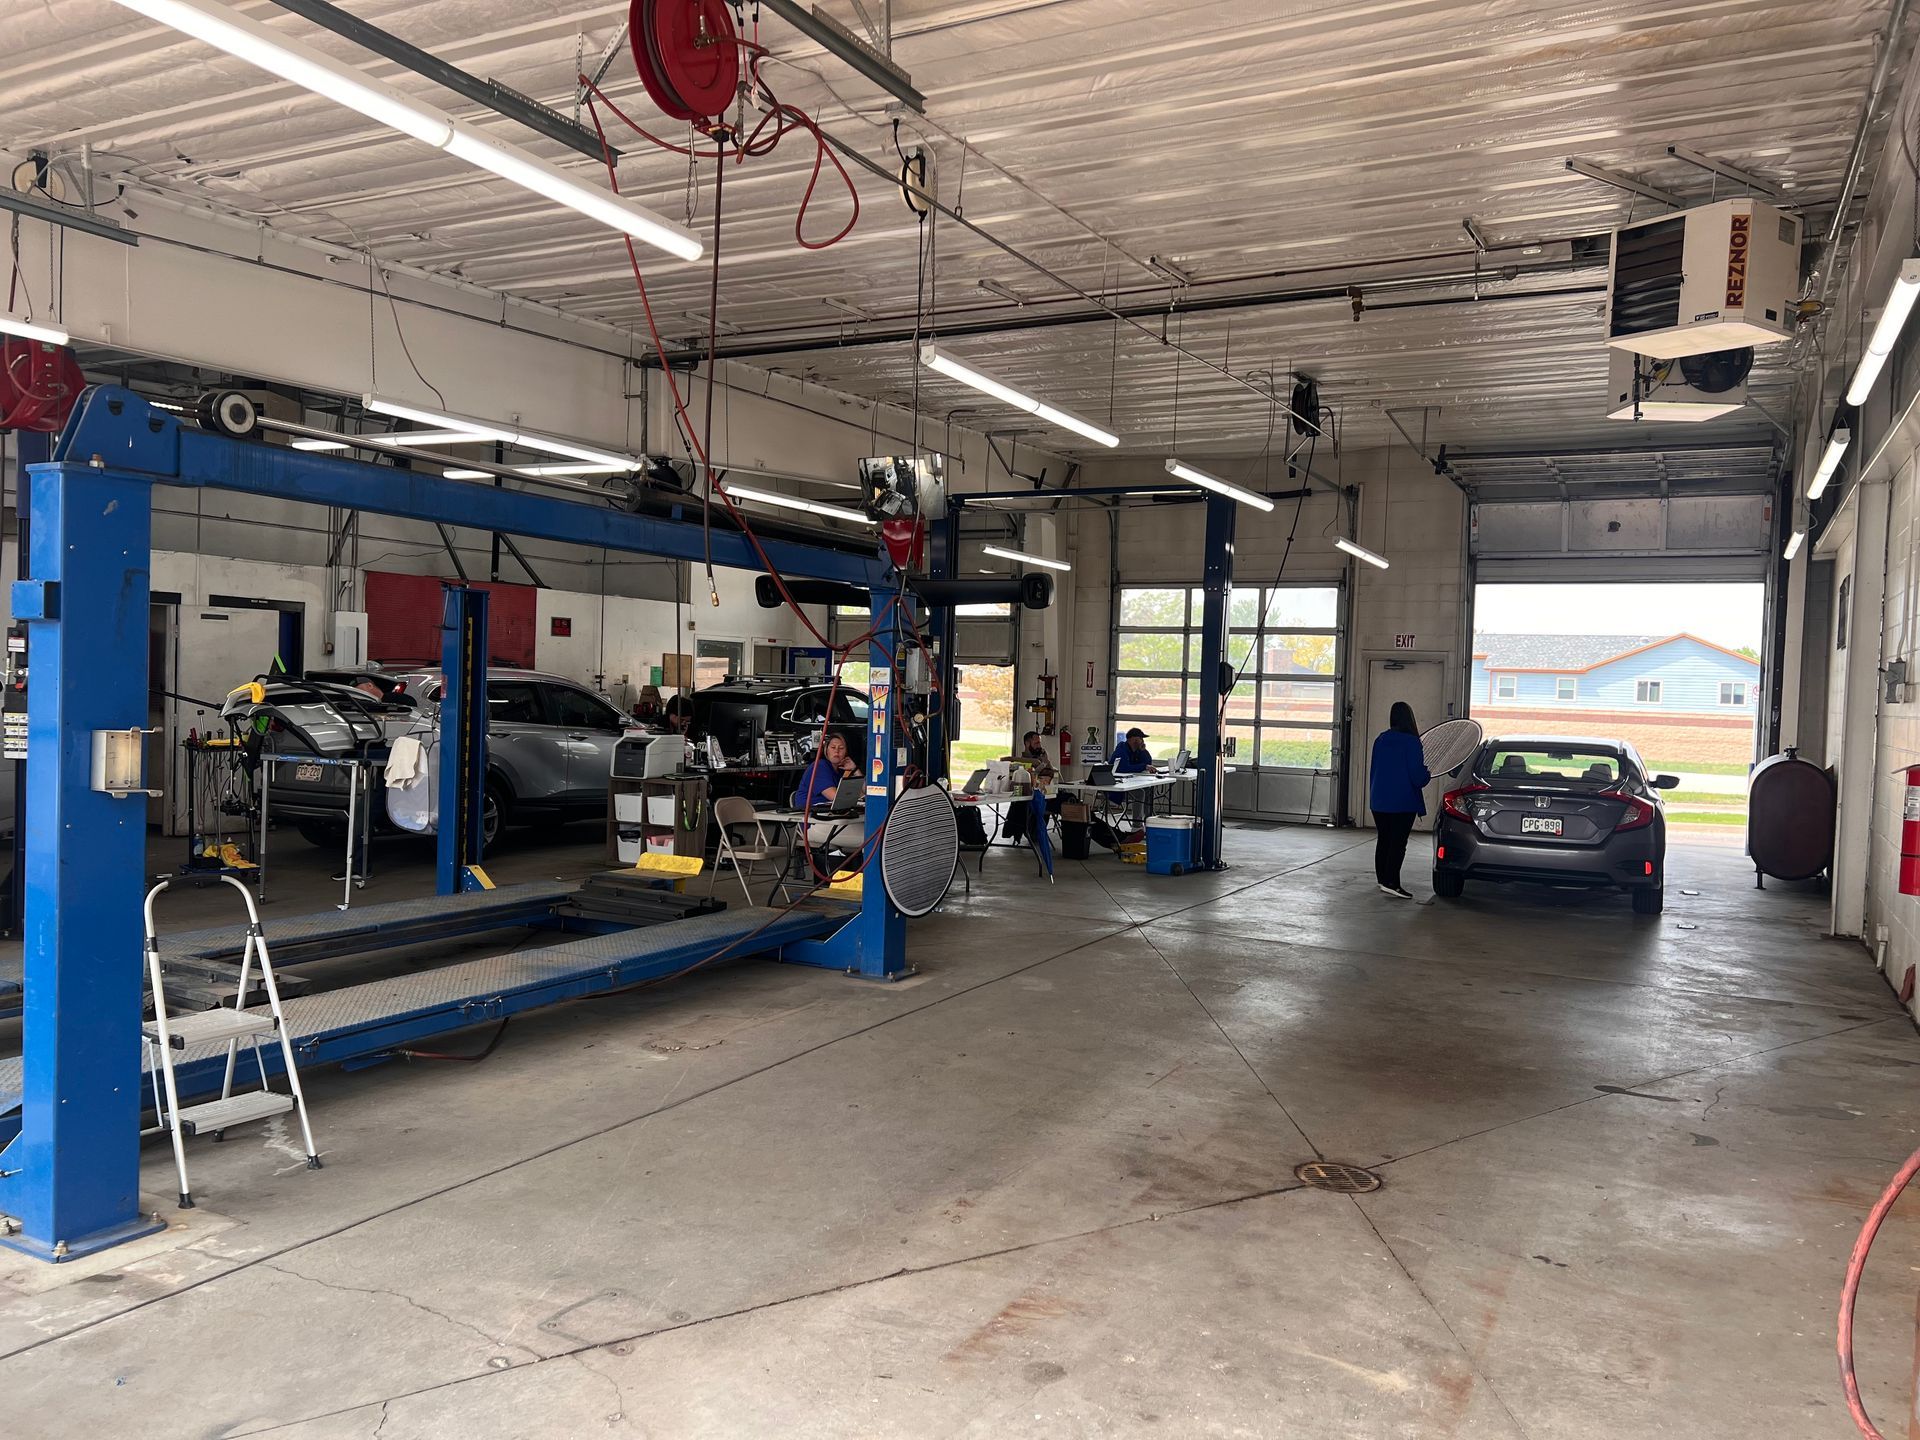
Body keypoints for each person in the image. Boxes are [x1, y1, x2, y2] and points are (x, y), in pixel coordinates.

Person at [1369, 701, 1431, 899]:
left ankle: (1382, 880)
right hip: (1402, 802)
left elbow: (1375, 770)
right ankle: (1392, 883)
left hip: (1378, 800)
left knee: (1384, 840)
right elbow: (1417, 777)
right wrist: (1427, 774)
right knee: (1398, 843)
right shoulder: (1412, 742)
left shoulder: (1381, 739)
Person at [793, 731, 863, 854]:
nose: (837, 751)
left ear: (846, 752)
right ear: (826, 750)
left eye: (841, 748)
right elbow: (835, 798)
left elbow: (866, 794)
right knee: (870, 838)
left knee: (875, 833)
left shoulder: (842, 771)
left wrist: (855, 770)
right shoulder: (820, 766)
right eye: (833, 747)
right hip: (815, 823)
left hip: (836, 821)